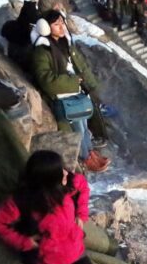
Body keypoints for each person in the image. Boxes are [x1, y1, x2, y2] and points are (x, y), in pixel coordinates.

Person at [29, 11, 110, 172]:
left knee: (84, 122)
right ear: (45, 28)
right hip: (61, 96)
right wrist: (74, 81)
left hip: (75, 92)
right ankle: (85, 157)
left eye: (62, 23)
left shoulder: (65, 43)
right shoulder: (42, 49)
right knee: (76, 125)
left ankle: (90, 152)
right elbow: (46, 79)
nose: (61, 27)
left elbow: (80, 66)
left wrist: (91, 85)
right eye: (56, 24)